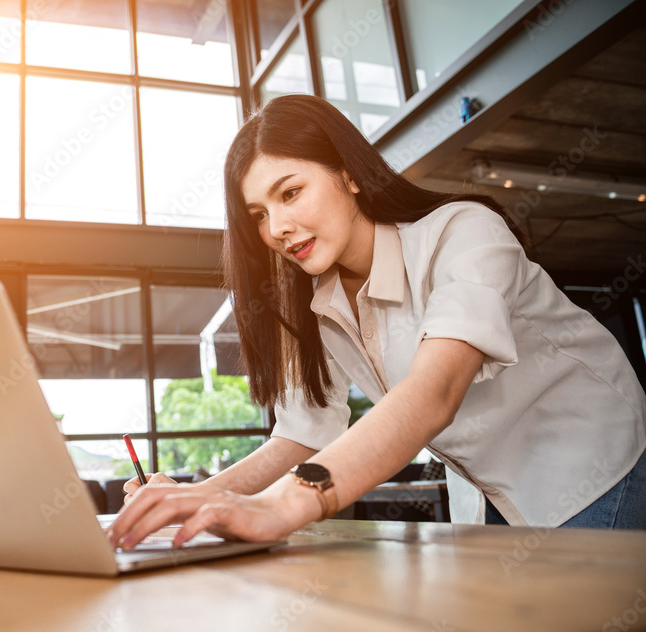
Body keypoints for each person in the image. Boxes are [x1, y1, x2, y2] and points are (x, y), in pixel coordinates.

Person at [107, 94, 646, 550]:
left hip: (591, 463)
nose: (277, 228)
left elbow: (433, 391)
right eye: (259, 216)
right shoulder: (313, 303)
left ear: (348, 174)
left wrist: (285, 505)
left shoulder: (464, 233)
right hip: (488, 492)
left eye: (290, 192)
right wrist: (196, 497)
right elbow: (302, 433)